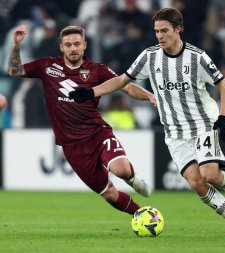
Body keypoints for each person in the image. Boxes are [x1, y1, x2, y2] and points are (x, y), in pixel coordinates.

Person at [69, 7, 225, 237]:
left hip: (202, 124)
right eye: (156, 31)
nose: (160, 36)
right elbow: (121, 80)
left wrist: (223, 119)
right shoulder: (149, 57)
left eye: (164, 30)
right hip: (174, 132)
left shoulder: (196, 58)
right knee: (196, 182)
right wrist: (91, 92)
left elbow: (224, 86)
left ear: (178, 29)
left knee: (210, 174)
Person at [8, 24, 156, 217]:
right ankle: (143, 215)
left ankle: (132, 178)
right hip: (72, 145)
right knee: (109, 194)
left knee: (121, 170)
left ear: (84, 45)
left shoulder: (96, 70)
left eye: (77, 44)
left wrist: (151, 96)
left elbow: (126, 86)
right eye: (68, 45)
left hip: (97, 132)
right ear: (61, 47)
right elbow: (15, 71)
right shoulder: (47, 66)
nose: (73, 48)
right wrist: (16, 45)